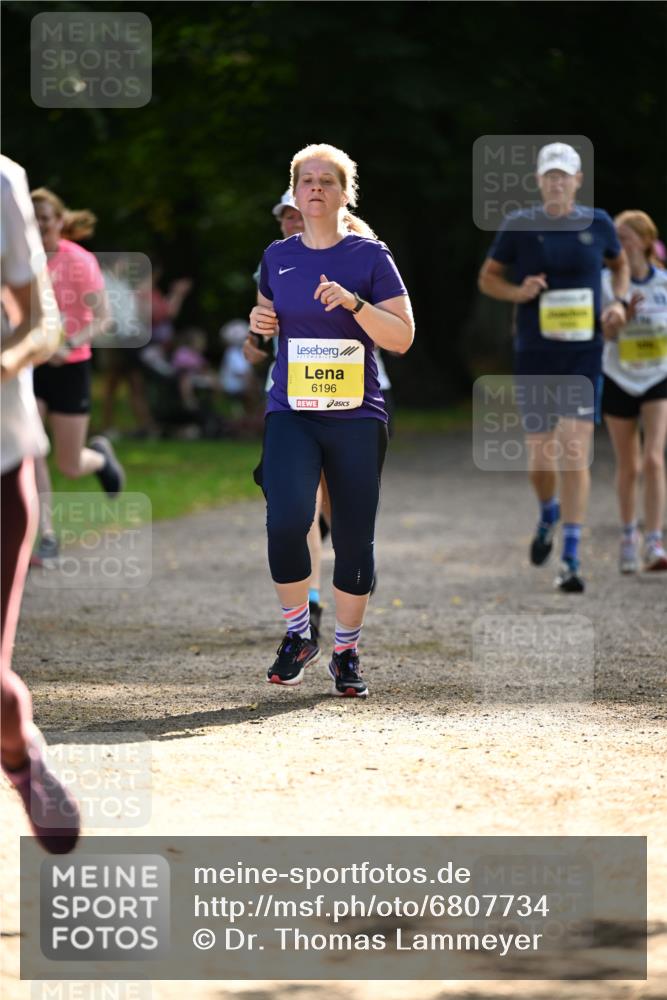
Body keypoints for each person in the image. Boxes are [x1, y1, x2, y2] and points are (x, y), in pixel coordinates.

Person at [249, 143, 414, 696]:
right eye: (307, 180)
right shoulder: (277, 256)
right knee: (286, 519)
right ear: (295, 192)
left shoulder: (370, 256)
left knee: (353, 537)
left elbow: (404, 336)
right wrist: (259, 320)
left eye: (327, 180)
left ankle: (346, 650)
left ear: (345, 194)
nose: (316, 188)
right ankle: (299, 634)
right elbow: (265, 316)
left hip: (356, 416)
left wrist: (355, 305)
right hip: (292, 410)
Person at [478, 142, 630, 593]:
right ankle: (548, 511)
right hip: (536, 353)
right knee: (542, 455)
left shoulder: (598, 223)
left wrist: (617, 302)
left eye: (565, 174)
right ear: (540, 181)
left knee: (574, 448)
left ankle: (571, 557)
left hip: (583, 353)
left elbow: (619, 265)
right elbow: (488, 277)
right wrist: (518, 292)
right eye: (550, 175)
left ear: (578, 179)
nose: (558, 182)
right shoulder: (520, 226)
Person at [1, 155, 80, 852]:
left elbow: (42, 325)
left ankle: (17, 752)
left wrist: (2, 362)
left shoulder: (1, 181)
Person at [30, 187, 124, 566]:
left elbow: (103, 319)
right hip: (31, 365)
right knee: (31, 447)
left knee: (69, 465)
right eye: (31, 219)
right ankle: (46, 534)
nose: (38, 227)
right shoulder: (22, 261)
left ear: (59, 222)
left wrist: (69, 344)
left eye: (45, 220)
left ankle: (100, 459)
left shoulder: (79, 261)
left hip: (71, 366)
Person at [600, 210, 667, 572]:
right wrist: (621, 318)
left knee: (654, 459)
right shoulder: (606, 283)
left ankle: (654, 540)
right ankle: (629, 535)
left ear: (644, 240)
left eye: (625, 238)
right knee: (629, 464)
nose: (619, 245)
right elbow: (604, 335)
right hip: (619, 377)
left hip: (658, 378)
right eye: (615, 239)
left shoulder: (664, 283)